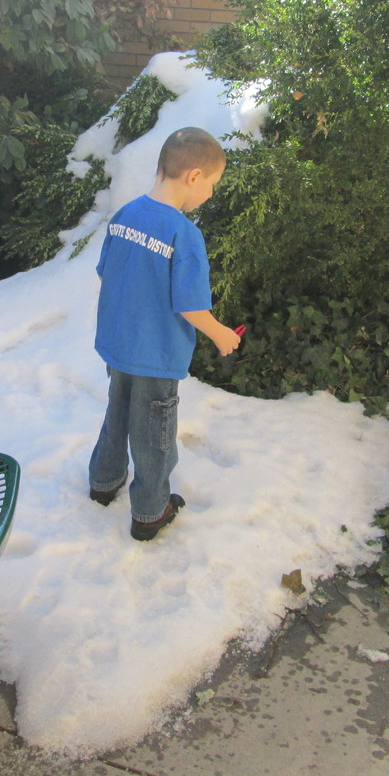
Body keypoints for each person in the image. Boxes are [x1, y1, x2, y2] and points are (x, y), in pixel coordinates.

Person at [89, 126, 242, 541]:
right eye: (212, 185)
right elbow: (190, 305)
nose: (210, 194)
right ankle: (150, 512)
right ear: (194, 176)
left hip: (119, 345)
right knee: (154, 435)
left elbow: (106, 272)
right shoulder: (184, 234)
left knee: (117, 413)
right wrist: (221, 334)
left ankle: (103, 483)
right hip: (156, 354)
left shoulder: (126, 215)